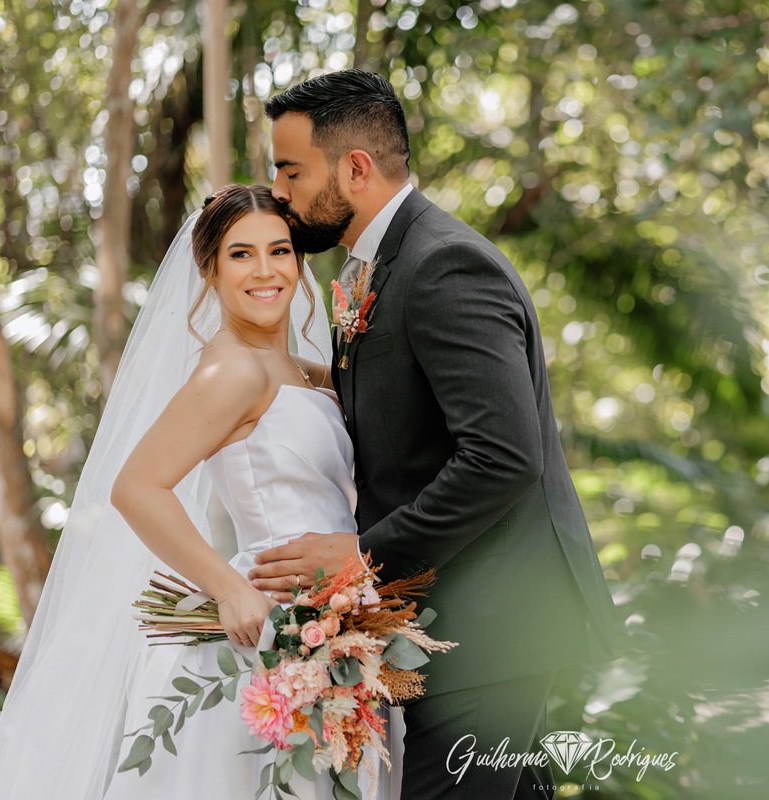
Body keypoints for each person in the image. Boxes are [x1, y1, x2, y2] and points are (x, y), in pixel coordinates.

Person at [246, 70, 620, 799]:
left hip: (492, 629)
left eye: (291, 172)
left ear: (355, 169)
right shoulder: (376, 269)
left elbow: (502, 457)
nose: (281, 194)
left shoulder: (443, 265)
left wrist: (359, 556)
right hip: (454, 627)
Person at [0, 185, 400, 799]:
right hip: (269, 631)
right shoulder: (233, 371)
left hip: (337, 620)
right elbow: (137, 487)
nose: (266, 270)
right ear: (210, 271)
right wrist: (229, 589)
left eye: (280, 250)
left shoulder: (299, 369)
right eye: (241, 255)